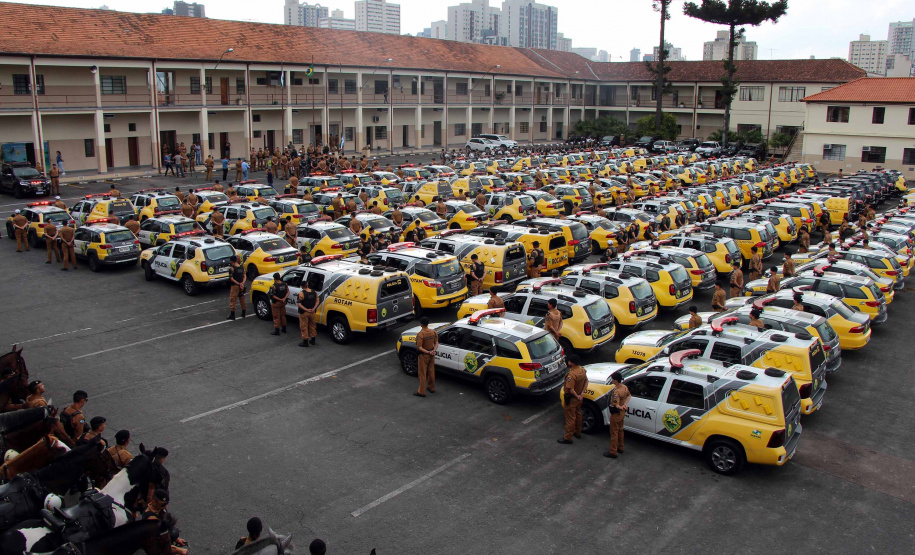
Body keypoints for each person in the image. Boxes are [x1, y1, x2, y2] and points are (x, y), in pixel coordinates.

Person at [143, 489, 188, 555]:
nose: (165, 506)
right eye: (163, 504)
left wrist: (177, 539)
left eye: (166, 503)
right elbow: (161, 545)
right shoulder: (151, 519)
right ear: (154, 502)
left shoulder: (160, 509)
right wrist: (178, 550)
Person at [558, 354, 588, 445]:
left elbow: (570, 389)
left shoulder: (572, 375)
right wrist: (581, 394)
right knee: (578, 414)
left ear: (572, 363)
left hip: (571, 399)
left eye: (569, 361)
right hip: (579, 398)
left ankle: (568, 437)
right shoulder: (582, 370)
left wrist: (576, 395)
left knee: (570, 418)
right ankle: (578, 432)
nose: (568, 362)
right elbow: (586, 381)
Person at [604, 371, 630, 459]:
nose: (612, 381)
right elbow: (629, 396)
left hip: (616, 414)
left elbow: (616, 405)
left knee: (614, 432)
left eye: (613, 380)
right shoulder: (625, 387)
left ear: (616, 380)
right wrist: (625, 405)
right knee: (620, 430)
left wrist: (621, 407)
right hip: (622, 414)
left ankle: (613, 452)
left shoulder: (617, 392)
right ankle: (620, 447)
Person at [414, 317, 438, 397]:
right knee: (431, 371)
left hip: (423, 355)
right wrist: (433, 350)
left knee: (422, 374)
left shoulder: (421, 334)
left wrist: (427, 352)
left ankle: (421, 391)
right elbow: (436, 342)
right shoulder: (433, 332)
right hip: (432, 354)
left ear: (421, 324)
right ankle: (432, 387)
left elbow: (419, 347)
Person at [296, 277, 319, 347]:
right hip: (312, 312)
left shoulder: (301, 293)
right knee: (312, 326)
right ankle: (313, 340)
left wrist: (306, 309)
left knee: (304, 326)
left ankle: (305, 342)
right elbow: (317, 301)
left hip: (304, 313)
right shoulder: (314, 292)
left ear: (302, 286)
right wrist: (313, 308)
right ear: (307, 284)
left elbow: (299, 304)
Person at [227, 255, 246, 320]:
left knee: (233, 300)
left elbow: (231, 279)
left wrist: (238, 283)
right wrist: (242, 283)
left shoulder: (232, 268)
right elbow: (244, 276)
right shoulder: (241, 267)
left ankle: (232, 315)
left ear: (231, 261)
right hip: (241, 286)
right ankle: (243, 313)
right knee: (242, 299)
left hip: (235, 286)